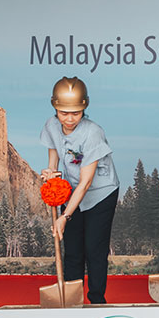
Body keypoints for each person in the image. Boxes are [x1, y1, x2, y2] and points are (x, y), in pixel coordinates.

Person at [39, 77, 119, 304]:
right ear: (55, 107)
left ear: (84, 107)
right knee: (73, 250)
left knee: (94, 249)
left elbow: (86, 182)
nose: (69, 118)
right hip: (73, 191)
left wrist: (65, 216)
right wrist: (51, 173)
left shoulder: (93, 132)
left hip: (100, 193)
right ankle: (72, 301)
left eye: (76, 113)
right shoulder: (51, 125)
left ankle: (96, 300)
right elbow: (54, 157)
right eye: (64, 113)